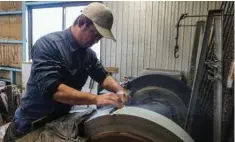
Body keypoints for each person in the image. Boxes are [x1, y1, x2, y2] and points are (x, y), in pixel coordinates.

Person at [3, 2, 127, 142]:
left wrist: (120, 91)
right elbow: (54, 90)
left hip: (58, 122)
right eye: (94, 34)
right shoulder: (48, 45)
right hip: (29, 126)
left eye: (99, 37)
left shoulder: (88, 55)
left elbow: (103, 76)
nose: (96, 41)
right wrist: (96, 98)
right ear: (82, 22)